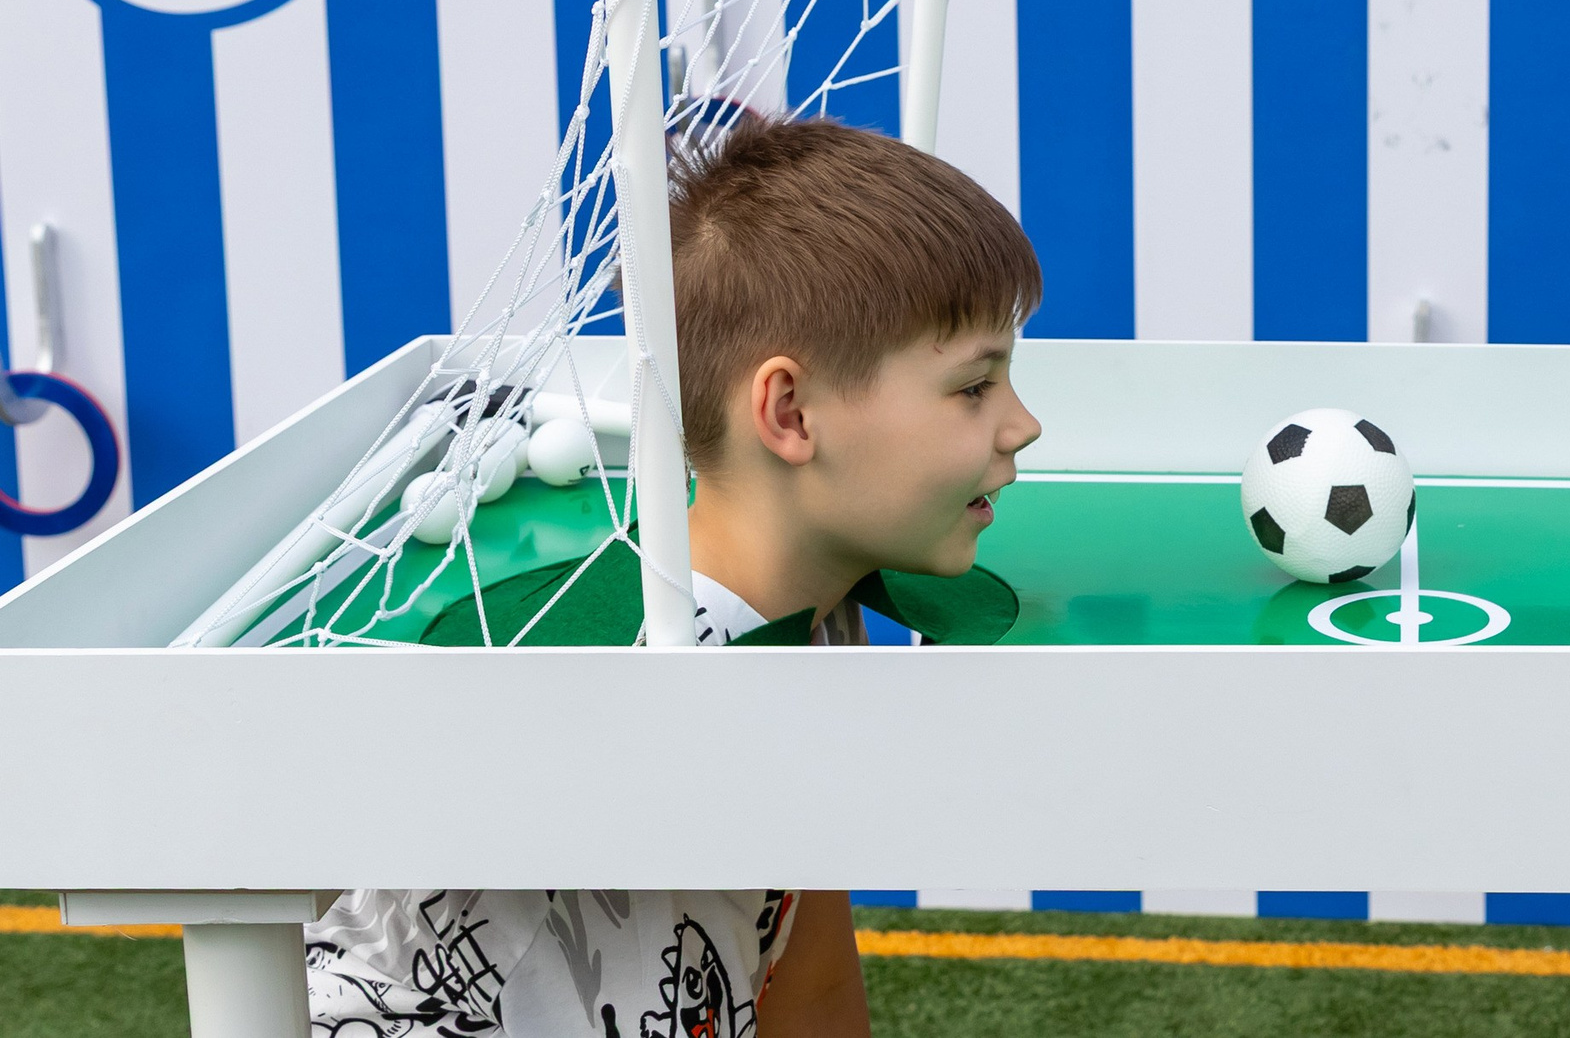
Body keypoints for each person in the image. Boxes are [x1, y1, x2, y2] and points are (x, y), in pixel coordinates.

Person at [305, 116, 1044, 1038]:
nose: (1022, 424)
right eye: (974, 387)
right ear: (789, 412)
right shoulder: (613, 704)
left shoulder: (813, 602)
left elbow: (809, 976)